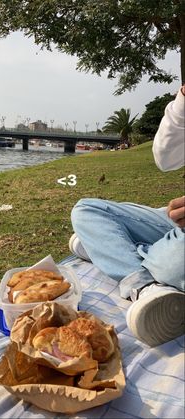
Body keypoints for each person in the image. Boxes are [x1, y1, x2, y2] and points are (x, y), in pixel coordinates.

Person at [69, 86, 185, 347]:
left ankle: (110, 249)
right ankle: (146, 284)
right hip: (175, 223)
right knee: (87, 210)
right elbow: (166, 159)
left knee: (173, 264)